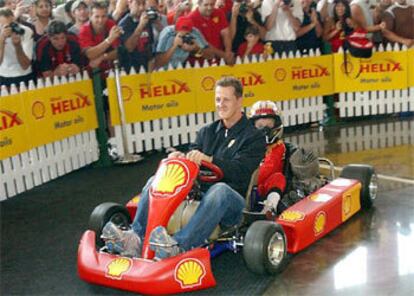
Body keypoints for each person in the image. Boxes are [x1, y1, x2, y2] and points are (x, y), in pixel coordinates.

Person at [103, 76, 266, 259]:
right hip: (197, 191)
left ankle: (180, 245)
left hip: (233, 203)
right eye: (218, 99)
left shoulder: (253, 137)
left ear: (239, 101)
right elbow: (192, 155)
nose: (221, 104)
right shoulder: (207, 132)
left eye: (226, 99)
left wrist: (210, 159)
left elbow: (240, 171)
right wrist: (181, 158)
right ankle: (135, 238)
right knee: (154, 181)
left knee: (219, 190)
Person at [248, 100, 286, 215]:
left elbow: (268, 168)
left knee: (278, 178)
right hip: (246, 187)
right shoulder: (247, 146)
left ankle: (269, 208)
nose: (264, 129)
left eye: (269, 125)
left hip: (264, 187)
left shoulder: (278, 147)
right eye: (260, 126)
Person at [78, 1, 122, 75]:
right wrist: (109, 39)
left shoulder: (111, 24)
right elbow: (90, 54)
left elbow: (118, 52)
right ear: (90, 16)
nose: (100, 20)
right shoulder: (84, 30)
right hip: (92, 73)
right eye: (97, 16)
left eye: (103, 16)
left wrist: (102, 57)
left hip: (112, 70)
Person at [188, 0, 234, 65]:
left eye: (212, 4)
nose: (209, 8)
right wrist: (224, 55)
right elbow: (203, 43)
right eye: (206, 5)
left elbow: (226, 33)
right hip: (199, 63)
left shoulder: (219, 12)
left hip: (220, 60)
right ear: (199, 4)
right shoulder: (191, 19)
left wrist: (228, 52)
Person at [0, 7, 33, 87]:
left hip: (24, 74)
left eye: (12, 24)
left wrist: (18, 46)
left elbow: (25, 65)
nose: (9, 29)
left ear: (15, 20)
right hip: (4, 75)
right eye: (4, 26)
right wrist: (2, 40)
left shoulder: (25, 31)